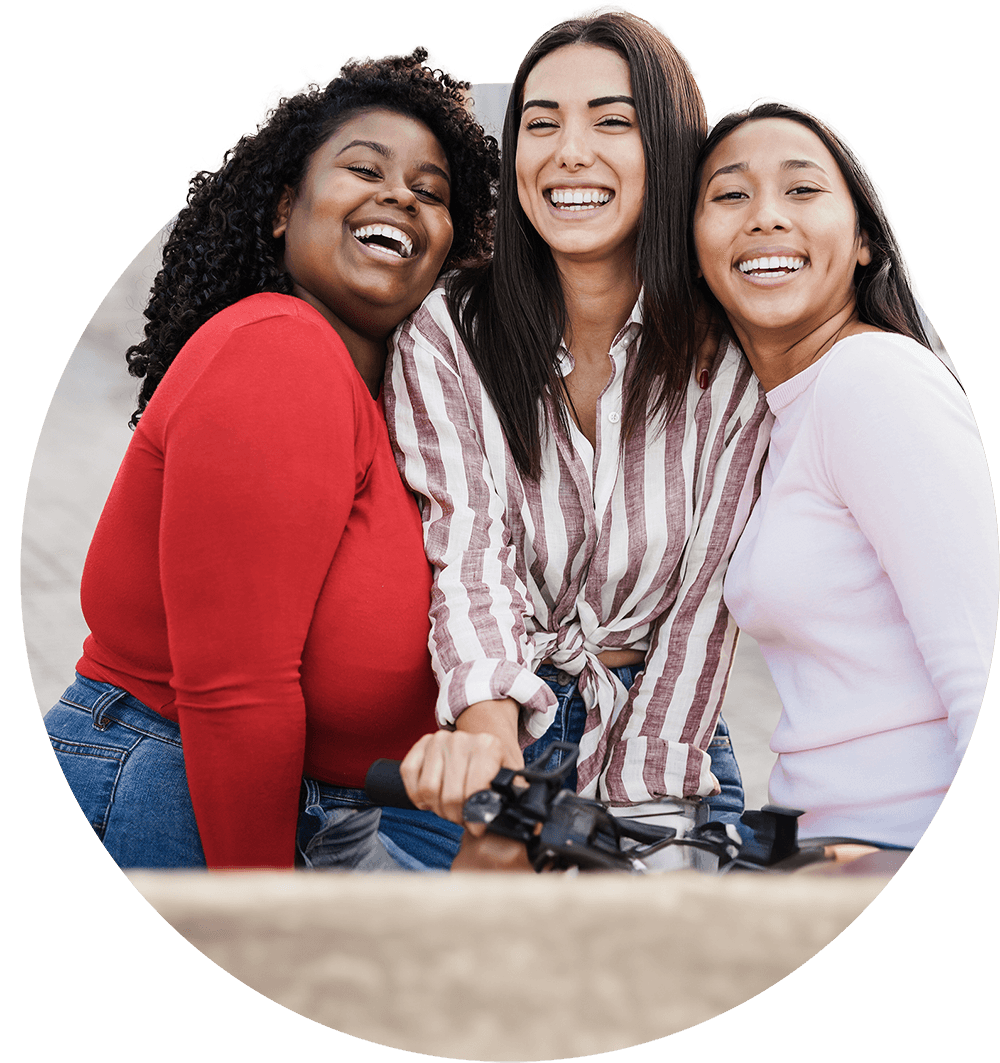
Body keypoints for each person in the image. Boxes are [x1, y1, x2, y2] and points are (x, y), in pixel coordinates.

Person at [43, 48, 498, 870]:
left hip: (327, 816)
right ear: (286, 207)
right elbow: (235, 693)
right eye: (365, 169)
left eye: (431, 193)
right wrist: (267, 916)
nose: (401, 195)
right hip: (177, 798)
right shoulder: (279, 353)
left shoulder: (396, 407)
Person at [387, 7, 772, 861]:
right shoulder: (447, 332)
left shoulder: (735, 354)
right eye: (541, 123)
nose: (569, 152)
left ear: (668, 149)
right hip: (488, 718)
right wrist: (493, 758)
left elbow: (705, 612)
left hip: (668, 732)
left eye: (611, 121)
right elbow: (468, 555)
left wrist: (645, 820)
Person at [692, 99, 996, 850]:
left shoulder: (873, 380)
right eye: (731, 195)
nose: (766, 216)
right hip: (820, 849)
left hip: (897, 844)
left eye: (802, 189)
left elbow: (978, 661)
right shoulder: (778, 414)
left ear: (863, 239)